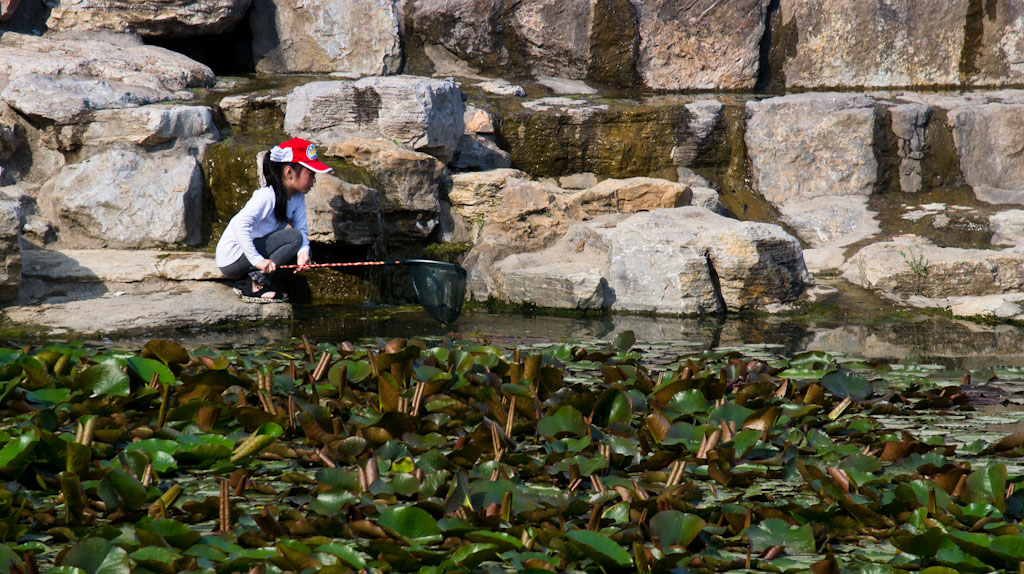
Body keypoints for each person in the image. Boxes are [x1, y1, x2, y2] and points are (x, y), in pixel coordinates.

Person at [216, 137, 332, 303]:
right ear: (289, 172)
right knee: (294, 237)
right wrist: (258, 261)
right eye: (311, 174)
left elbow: (302, 229)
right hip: (233, 259)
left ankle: (250, 281)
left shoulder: (297, 197)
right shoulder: (267, 196)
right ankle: (255, 284)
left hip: (250, 258)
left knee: (302, 249)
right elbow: (239, 224)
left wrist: (303, 254)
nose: (314, 181)